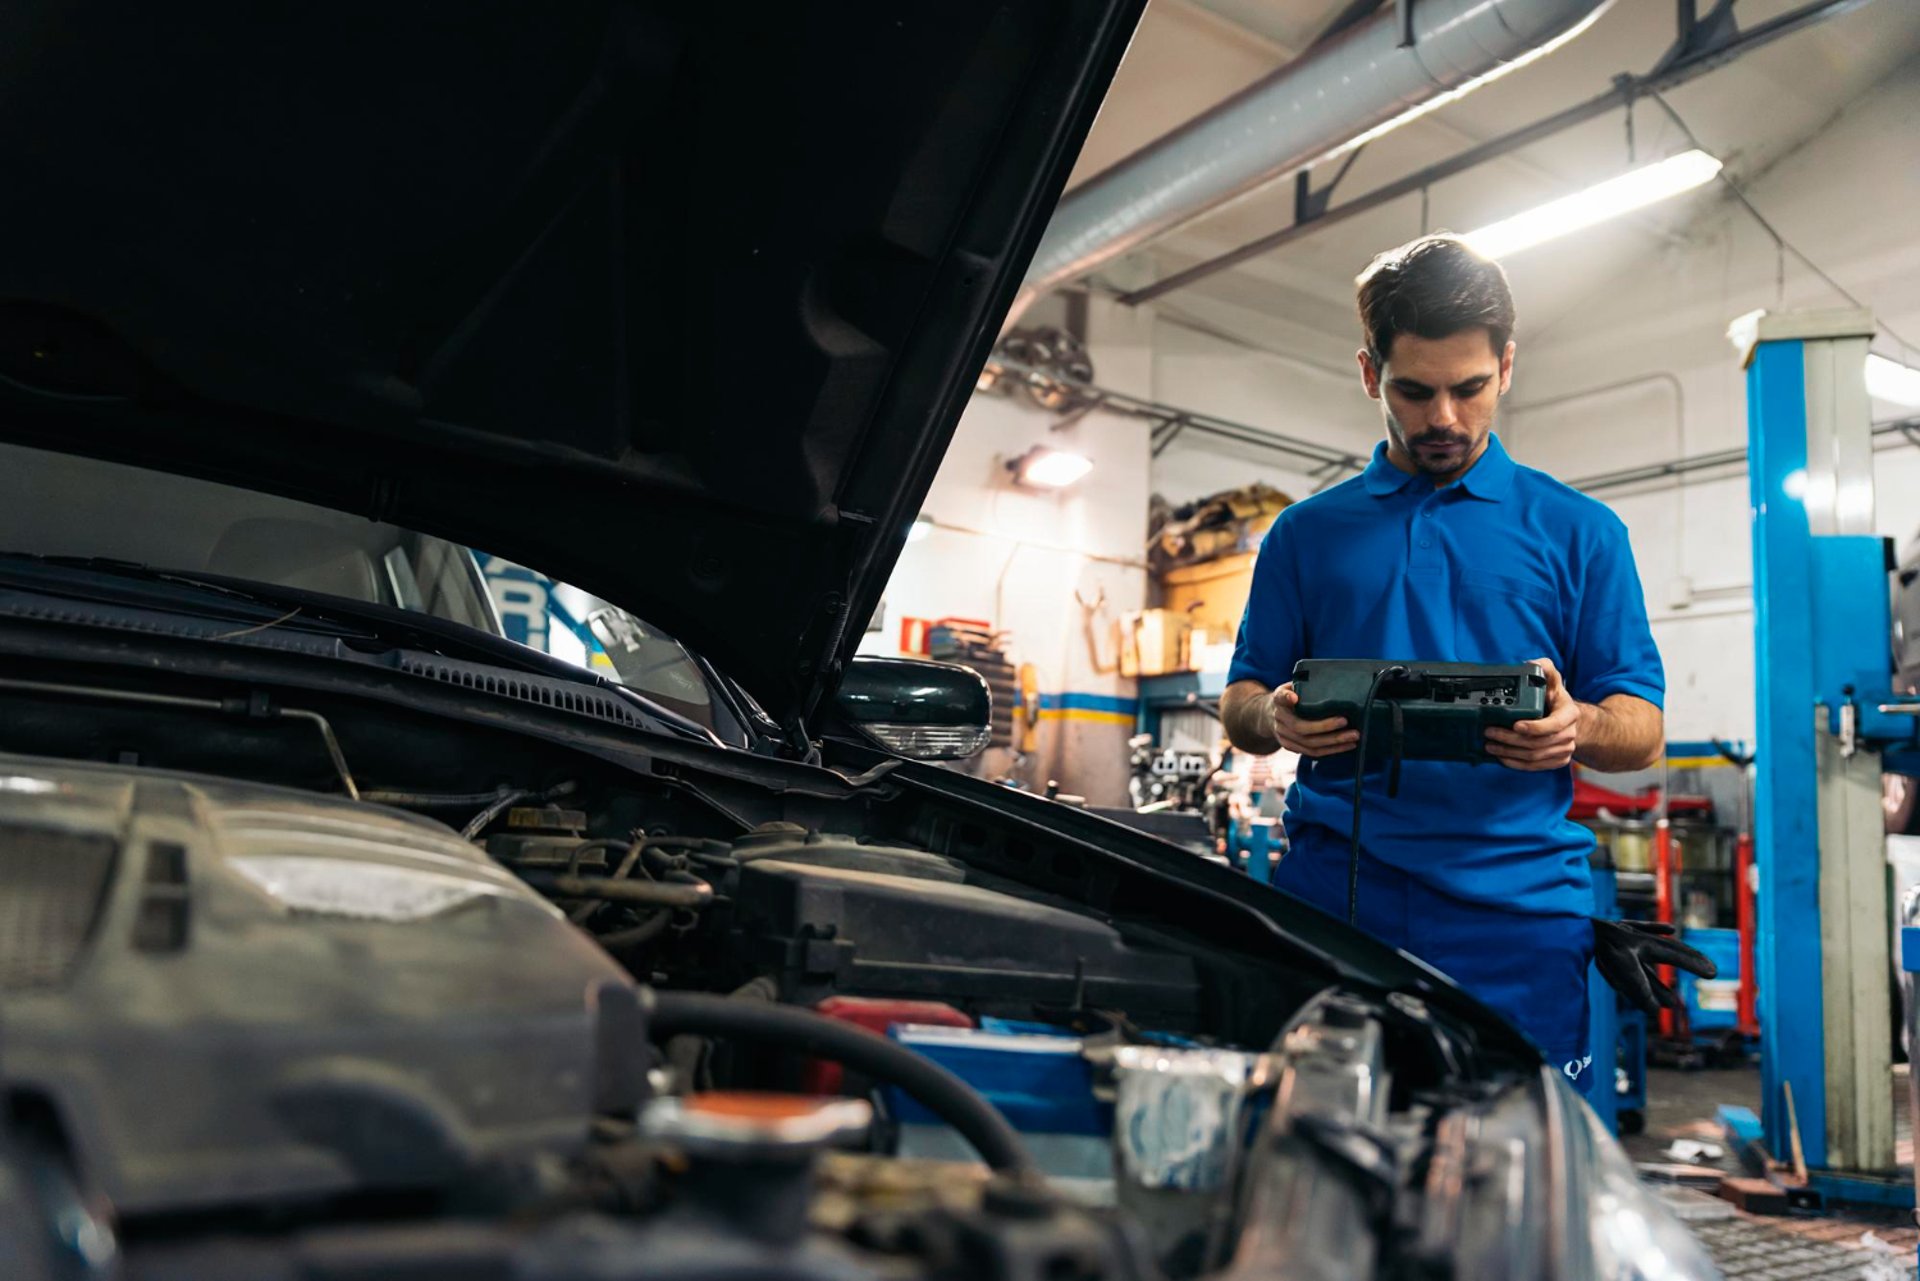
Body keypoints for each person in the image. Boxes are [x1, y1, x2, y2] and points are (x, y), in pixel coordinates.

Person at [1220, 234, 1708, 1092]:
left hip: (1520, 919)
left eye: (1469, 387)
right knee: (1320, 1159)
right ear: (1371, 374)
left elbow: (1643, 730)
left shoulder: (1581, 533)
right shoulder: (1307, 535)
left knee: (1528, 1177)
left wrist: (1578, 724)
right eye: (1414, 390)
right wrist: (1276, 716)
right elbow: (1243, 701)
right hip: (1337, 906)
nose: (1443, 417)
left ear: (1507, 368)